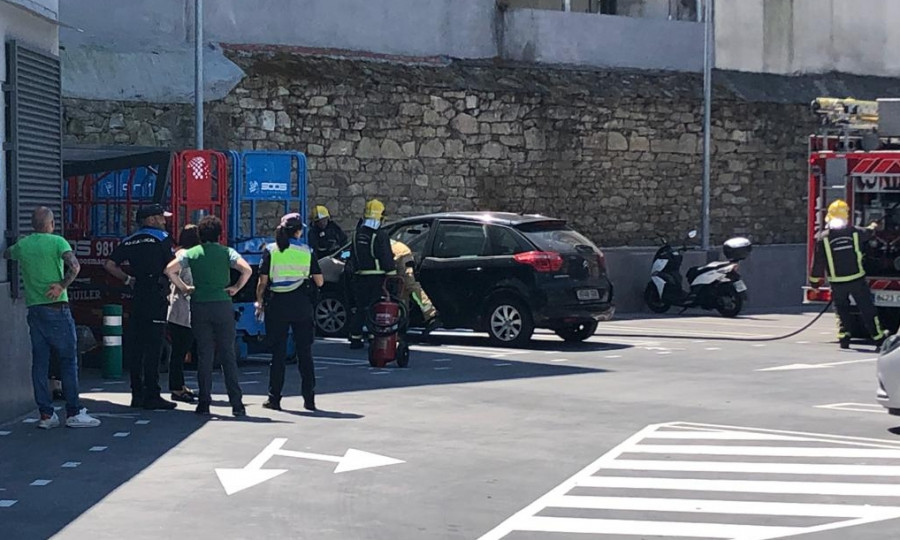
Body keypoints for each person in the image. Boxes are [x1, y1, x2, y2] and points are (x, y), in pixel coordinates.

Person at [3, 207, 100, 429]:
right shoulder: (58, 242)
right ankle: (74, 411)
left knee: (40, 362)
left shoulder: (23, 246)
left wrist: (21, 241)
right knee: (68, 360)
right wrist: (62, 285)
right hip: (57, 307)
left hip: (34, 309)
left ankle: (46, 414)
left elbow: (7, 253)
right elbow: (75, 266)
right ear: (51, 223)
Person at [165, 216, 252, 416]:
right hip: (222, 303)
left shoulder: (192, 253)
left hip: (199, 305)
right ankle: (237, 404)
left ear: (200, 235)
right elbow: (246, 269)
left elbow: (170, 270)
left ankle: (204, 402)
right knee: (227, 354)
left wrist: (185, 288)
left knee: (205, 355)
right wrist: (235, 288)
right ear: (219, 234)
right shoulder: (226, 252)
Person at [105, 204, 177, 410]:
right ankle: (152, 394)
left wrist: (128, 279)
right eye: (161, 217)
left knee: (137, 345)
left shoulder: (129, 240)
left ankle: (136, 393)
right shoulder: (162, 238)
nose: (164, 221)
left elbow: (109, 265)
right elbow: (172, 266)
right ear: (151, 220)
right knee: (154, 344)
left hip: (138, 293)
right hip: (156, 293)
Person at [255, 213, 324, 412]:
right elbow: (319, 281)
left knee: (278, 354)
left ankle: (274, 398)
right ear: (298, 231)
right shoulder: (307, 251)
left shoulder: (271, 250)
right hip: (302, 305)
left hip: (278, 305)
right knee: (305, 353)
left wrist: (259, 301)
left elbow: (263, 282)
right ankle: (309, 400)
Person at [810, 199, 888, 349]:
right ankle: (878, 337)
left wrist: (815, 284)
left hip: (837, 282)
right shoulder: (854, 233)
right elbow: (868, 232)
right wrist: (873, 225)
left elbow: (817, 264)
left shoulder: (822, 238)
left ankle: (844, 337)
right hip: (856, 280)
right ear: (846, 216)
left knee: (842, 310)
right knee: (867, 309)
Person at [347, 199, 396, 349]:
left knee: (362, 308)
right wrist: (392, 275)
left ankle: (355, 338)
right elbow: (386, 256)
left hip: (360, 277)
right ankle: (374, 335)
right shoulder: (380, 235)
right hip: (377, 277)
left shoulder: (357, 234)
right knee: (376, 308)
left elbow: (352, 256)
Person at [166, 224, 200, 403]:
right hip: (181, 308)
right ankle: (176, 388)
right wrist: (185, 288)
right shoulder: (183, 255)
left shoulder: (187, 254)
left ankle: (180, 385)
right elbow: (171, 273)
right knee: (179, 351)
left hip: (184, 309)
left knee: (182, 349)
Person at [391, 239, 441, 335]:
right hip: (400, 253)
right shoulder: (375, 238)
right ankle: (402, 323)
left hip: (399, 255)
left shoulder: (369, 240)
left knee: (410, 286)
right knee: (403, 289)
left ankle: (431, 315)